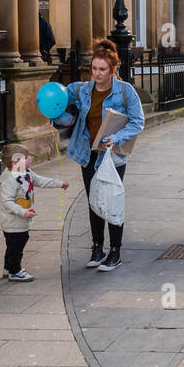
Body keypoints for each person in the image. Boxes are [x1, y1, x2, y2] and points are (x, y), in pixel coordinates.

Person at [55, 38, 145, 272]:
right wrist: (65, 119)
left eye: (102, 69)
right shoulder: (83, 89)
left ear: (113, 70)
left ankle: (115, 252)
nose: (97, 74)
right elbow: (59, 101)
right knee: (94, 201)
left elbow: (138, 122)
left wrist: (115, 138)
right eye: (94, 69)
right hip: (88, 154)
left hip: (112, 156)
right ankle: (97, 248)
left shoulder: (125, 92)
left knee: (112, 201)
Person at [0, 143, 68, 281]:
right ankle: (15, 271)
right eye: (27, 158)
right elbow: (7, 202)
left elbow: (40, 181)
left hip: (21, 220)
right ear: (16, 162)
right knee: (16, 246)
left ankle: (8, 267)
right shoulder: (9, 180)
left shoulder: (26, 172)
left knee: (13, 246)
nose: (30, 159)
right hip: (12, 222)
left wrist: (59, 183)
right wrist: (23, 212)